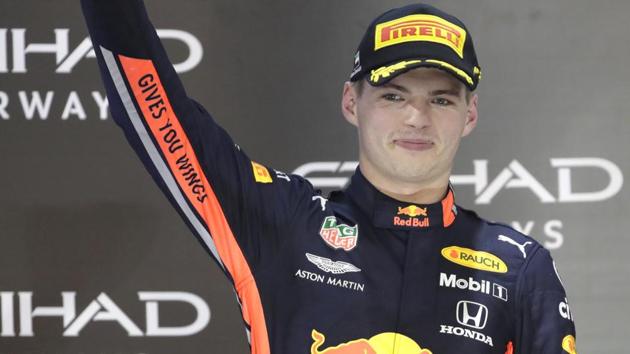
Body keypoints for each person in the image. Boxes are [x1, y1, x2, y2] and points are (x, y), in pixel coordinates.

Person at [81, 1, 577, 353]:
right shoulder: (283, 225)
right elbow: (153, 111)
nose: (416, 118)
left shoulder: (519, 270)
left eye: (441, 99)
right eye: (393, 95)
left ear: (469, 115)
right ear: (350, 103)